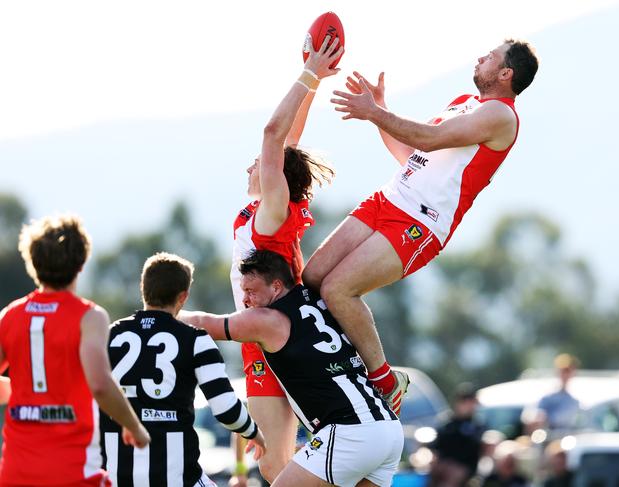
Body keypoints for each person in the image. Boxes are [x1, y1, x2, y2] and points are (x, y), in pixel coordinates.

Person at [302, 39, 539, 414]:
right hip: (389, 198)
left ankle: (385, 378)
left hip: (420, 222)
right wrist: (380, 111)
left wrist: (374, 113)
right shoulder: (465, 101)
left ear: (506, 74)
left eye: (490, 57)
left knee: (338, 289)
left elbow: (428, 140)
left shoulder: (501, 116)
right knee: (312, 277)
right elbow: (413, 155)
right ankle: (339, 367)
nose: (480, 57)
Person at [181, 249, 403, 487]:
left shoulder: (269, 320)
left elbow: (203, 324)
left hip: (349, 433)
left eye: (251, 291)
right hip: (388, 429)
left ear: (276, 287)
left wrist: (155, 312)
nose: (245, 300)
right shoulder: (318, 301)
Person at [229, 35, 339, 484]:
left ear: (275, 176)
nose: (251, 167)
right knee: (272, 459)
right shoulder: (266, 209)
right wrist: (313, 84)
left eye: (257, 164)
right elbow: (290, 140)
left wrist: (309, 72)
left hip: (275, 334)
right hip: (263, 334)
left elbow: (275, 136)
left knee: (277, 462)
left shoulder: (273, 214)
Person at [0, 215, 150, 486]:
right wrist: (134, 426)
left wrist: (24, 392)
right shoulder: (89, 317)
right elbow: (101, 384)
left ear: (31, 262)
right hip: (72, 472)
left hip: (14, 472)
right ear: (81, 263)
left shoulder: (9, 316)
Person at [100, 252, 265, 486]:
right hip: (178, 478)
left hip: (115, 477)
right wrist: (254, 433)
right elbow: (226, 408)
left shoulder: (108, 334)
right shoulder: (196, 340)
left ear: (143, 289)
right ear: (183, 297)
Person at [428, 383, 485, 487]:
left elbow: (474, 449)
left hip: (465, 467)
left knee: (451, 477)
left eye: (471, 401)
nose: (468, 405)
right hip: (443, 463)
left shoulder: (477, 425)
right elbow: (435, 446)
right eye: (464, 401)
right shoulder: (446, 422)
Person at [530, 354, 580, 432]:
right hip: (549, 439)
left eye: (568, 371)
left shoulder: (574, 400)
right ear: (558, 372)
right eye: (563, 371)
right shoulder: (547, 398)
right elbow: (536, 419)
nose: (565, 375)